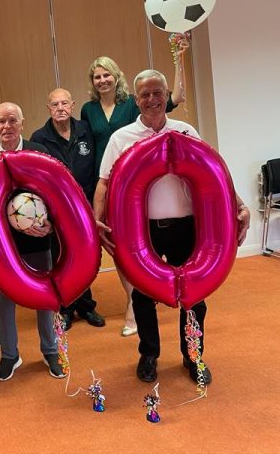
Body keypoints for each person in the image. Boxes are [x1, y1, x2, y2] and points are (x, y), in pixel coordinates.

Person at [93, 69, 250, 385]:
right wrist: (97, 220)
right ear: (136, 100)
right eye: (145, 95)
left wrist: (239, 204)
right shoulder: (121, 138)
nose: (152, 100)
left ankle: (193, 356)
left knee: (194, 292)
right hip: (142, 230)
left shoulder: (185, 131)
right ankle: (149, 355)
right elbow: (104, 184)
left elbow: (214, 175)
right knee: (142, 294)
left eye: (157, 92)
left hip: (185, 226)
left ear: (166, 95)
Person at [80, 53, 184, 337]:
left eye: (106, 74)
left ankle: (146, 303)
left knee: (171, 263)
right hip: (112, 179)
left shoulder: (135, 104)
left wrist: (178, 57)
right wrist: (95, 211)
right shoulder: (90, 111)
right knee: (126, 252)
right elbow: (87, 144)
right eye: (96, 76)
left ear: (117, 76)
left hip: (151, 186)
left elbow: (175, 97)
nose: (102, 80)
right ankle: (134, 306)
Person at [0, 103, 65, 382]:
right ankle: (10, 354)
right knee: (4, 300)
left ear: (22, 123)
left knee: (45, 296)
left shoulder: (39, 150)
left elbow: (57, 190)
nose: (7, 126)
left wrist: (50, 225)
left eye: (12, 121)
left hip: (36, 239)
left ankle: (50, 350)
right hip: (1, 243)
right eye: (1, 122)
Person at [30, 88, 105, 331]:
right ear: (48, 108)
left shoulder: (85, 130)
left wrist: (95, 204)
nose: (60, 108)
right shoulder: (39, 138)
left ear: (72, 106)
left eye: (64, 103)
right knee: (60, 259)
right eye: (55, 104)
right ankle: (65, 308)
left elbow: (95, 167)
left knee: (85, 256)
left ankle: (86, 306)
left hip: (84, 206)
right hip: (56, 210)